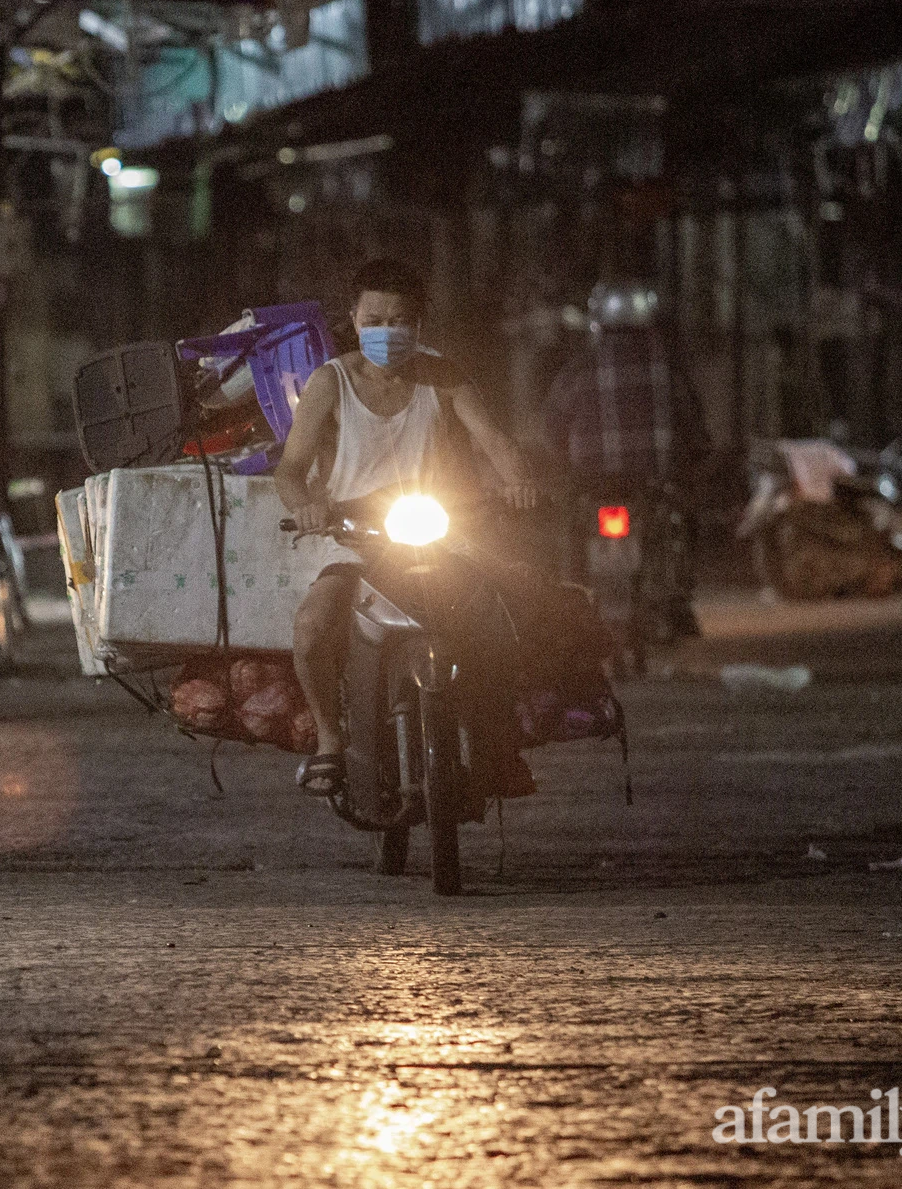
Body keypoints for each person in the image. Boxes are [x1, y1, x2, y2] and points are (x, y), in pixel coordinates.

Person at [275, 258, 539, 799]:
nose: (387, 331)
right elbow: (290, 468)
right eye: (375, 319)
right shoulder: (332, 383)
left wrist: (518, 480)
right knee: (311, 630)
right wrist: (305, 507)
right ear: (353, 317)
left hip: (437, 533)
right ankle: (329, 738)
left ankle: (496, 742)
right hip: (351, 539)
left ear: (419, 325)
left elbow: (496, 442)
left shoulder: (443, 377)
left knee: (505, 616)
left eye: (400, 320)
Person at [541, 283, 708, 635]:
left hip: (590, 483)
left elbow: (553, 427)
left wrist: (559, 466)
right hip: (650, 481)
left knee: (567, 534)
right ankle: (677, 603)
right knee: (681, 524)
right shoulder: (667, 369)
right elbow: (693, 423)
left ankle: (569, 608)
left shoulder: (577, 370)